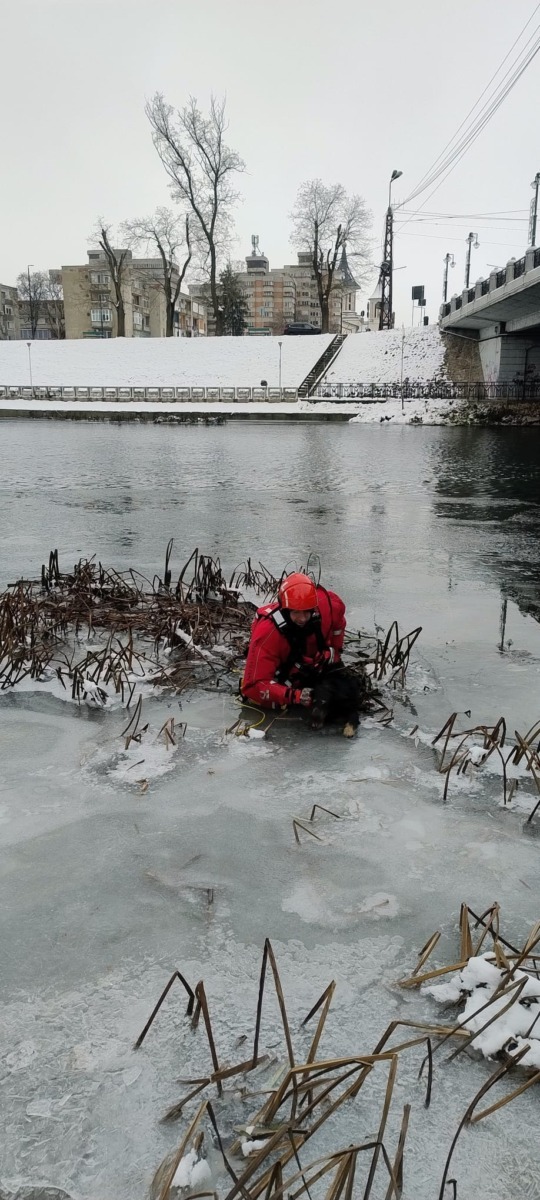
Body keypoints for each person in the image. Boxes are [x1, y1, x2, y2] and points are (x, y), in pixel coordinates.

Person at [241, 572, 346, 711]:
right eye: (296, 612)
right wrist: (295, 696)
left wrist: (336, 652)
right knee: (267, 703)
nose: (302, 619)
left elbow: (338, 617)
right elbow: (252, 687)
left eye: (306, 612)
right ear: (285, 610)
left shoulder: (325, 607)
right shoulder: (268, 633)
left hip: (307, 661)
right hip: (283, 667)